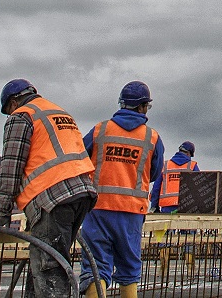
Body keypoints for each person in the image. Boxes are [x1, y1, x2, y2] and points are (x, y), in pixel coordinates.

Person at [0, 79, 97, 298]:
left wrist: (1, 213)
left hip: (53, 196)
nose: (9, 114)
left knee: (50, 269)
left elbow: (11, 167)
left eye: (8, 110)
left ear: (13, 101)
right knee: (49, 260)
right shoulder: (59, 112)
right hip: (81, 193)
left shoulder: (22, 115)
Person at [79, 82, 164, 298]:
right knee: (129, 268)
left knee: (95, 267)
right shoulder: (151, 137)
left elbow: (81, 159)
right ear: (143, 106)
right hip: (131, 212)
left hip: (98, 209)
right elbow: (154, 174)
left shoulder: (100, 129)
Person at [156, 142, 198, 213]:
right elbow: (198, 188)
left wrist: (154, 206)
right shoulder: (192, 166)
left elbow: (156, 188)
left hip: (167, 207)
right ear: (188, 153)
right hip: (187, 206)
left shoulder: (165, 165)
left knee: (166, 224)